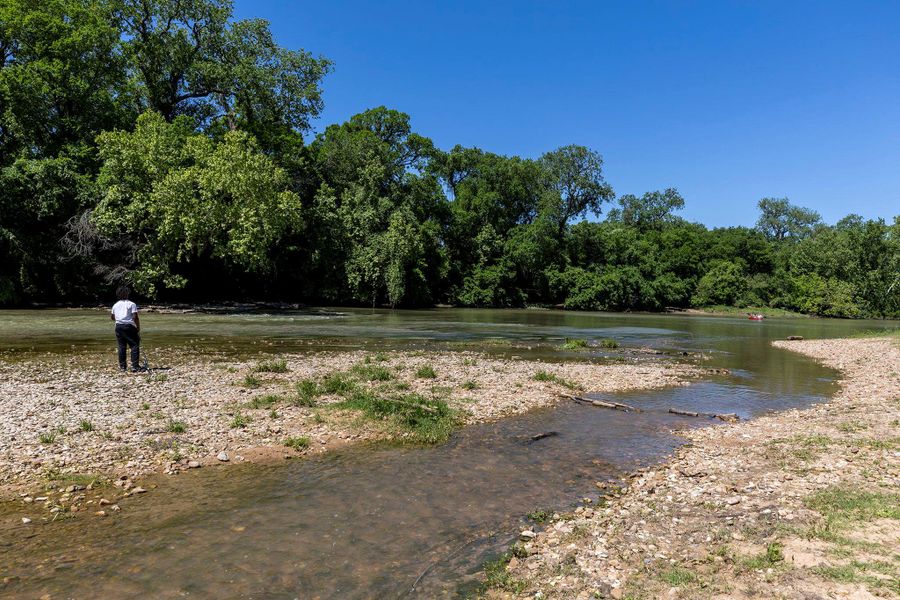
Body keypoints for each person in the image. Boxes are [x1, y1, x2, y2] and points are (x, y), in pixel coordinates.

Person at [110, 286, 142, 372]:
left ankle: (123, 367)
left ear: (118, 295)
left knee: (121, 347)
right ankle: (135, 366)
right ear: (127, 294)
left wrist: (120, 318)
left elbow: (112, 317)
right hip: (129, 326)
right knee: (134, 345)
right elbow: (135, 317)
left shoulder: (115, 305)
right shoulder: (132, 304)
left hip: (119, 327)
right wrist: (138, 328)